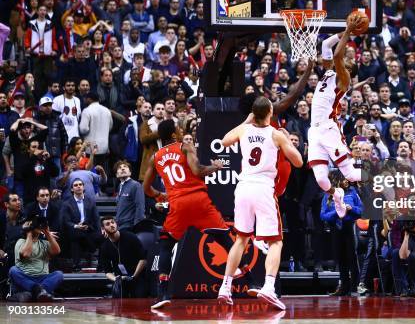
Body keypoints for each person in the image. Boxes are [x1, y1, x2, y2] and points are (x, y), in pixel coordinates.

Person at [217, 97, 303, 310]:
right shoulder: (275, 134)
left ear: (252, 113)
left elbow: (224, 140)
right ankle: (269, 287)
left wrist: (246, 121)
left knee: (240, 239)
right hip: (263, 188)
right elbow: (299, 162)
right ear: (270, 111)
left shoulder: (244, 130)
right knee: (276, 242)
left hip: (243, 186)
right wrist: (286, 139)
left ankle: (225, 287)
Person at [143, 119, 228, 309]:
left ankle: (163, 294)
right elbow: (197, 171)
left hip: (177, 204)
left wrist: (159, 194)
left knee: (166, 245)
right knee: (227, 242)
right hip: (198, 200)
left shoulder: (155, 157)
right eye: (179, 129)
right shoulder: (185, 146)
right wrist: (216, 167)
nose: (181, 131)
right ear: (174, 135)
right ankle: (252, 281)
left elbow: (146, 187)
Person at [308, 15, 364, 218]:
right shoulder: (331, 71)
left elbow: (338, 53)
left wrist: (349, 30)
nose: (349, 57)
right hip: (314, 130)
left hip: (328, 128)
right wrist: (343, 32)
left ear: (349, 69)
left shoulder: (344, 77)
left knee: (349, 174)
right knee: (322, 179)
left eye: (350, 61)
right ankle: (337, 195)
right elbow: (326, 44)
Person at [8, 213, 62, 301]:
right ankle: (39, 292)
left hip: (42, 279)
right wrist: (29, 232)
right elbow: (26, 254)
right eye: (35, 223)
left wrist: (47, 232)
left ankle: (34, 293)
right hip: (25, 277)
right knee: (13, 270)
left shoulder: (44, 243)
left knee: (59, 274)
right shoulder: (21, 242)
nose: (38, 225)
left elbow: (57, 251)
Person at [98, 216, 148, 298]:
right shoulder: (105, 246)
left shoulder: (130, 237)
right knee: (118, 298)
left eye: (113, 222)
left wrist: (133, 276)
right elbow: (107, 272)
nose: (111, 225)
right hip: (121, 279)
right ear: (103, 229)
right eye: (108, 224)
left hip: (137, 276)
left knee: (139, 298)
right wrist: (116, 279)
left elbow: (143, 259)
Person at [60, 178, 102, 271]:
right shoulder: (67, 203)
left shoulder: (90, 201)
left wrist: (100, 230)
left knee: (101, 236)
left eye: (80, 184)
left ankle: (100, 264)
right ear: (72, 189)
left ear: (83, 187)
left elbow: (96, 218)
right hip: (74, 231)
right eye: (75, 185)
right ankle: (77, 264)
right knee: (76, 236)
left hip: (88, 229)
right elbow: (66, 221)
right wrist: (76, 226)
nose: (78, 186)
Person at [113, 161, 145, 232]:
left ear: (130, 173)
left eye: (125, 167)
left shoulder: (135, 185)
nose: (123, 169)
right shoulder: (120, 186)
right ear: (116, 174)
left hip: (129, 226)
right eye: (120, 168)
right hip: (119, 226)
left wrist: (137, 226)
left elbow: (140, 207)